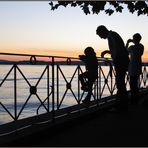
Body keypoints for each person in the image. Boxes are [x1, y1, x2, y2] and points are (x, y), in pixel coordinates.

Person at [96, 25, 129, 112]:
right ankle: (124, 104)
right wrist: (108, 51)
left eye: (100, 35)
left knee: (120, 83)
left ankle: (120, 107)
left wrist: (115, 59)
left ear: (103, 31)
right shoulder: (112, 35)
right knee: (121, 83)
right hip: (122, 61)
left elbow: (117, 50)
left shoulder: (111, 36)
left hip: (120, 61)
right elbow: (117, 48)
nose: (101, 37)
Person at [126, 33, 144, 104]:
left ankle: (134, 100)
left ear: (134, 39)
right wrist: (133, 41)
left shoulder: (132, 47)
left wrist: (128, 42)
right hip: (138, 66)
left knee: (132, 85)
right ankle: (135, 99)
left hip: (132, 66)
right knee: (135, 84)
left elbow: (125, 50)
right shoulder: (141, 46)